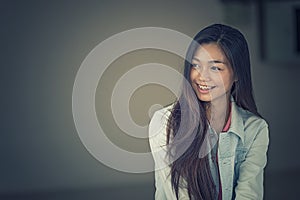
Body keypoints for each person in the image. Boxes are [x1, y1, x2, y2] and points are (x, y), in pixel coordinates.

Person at [149, 24, 269, 200]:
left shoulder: (255, 129)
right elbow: (181, 196)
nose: (202, 76)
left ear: (237, 74)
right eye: (196, 66)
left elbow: (249, 194)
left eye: (215, 68)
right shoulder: (164, 123)